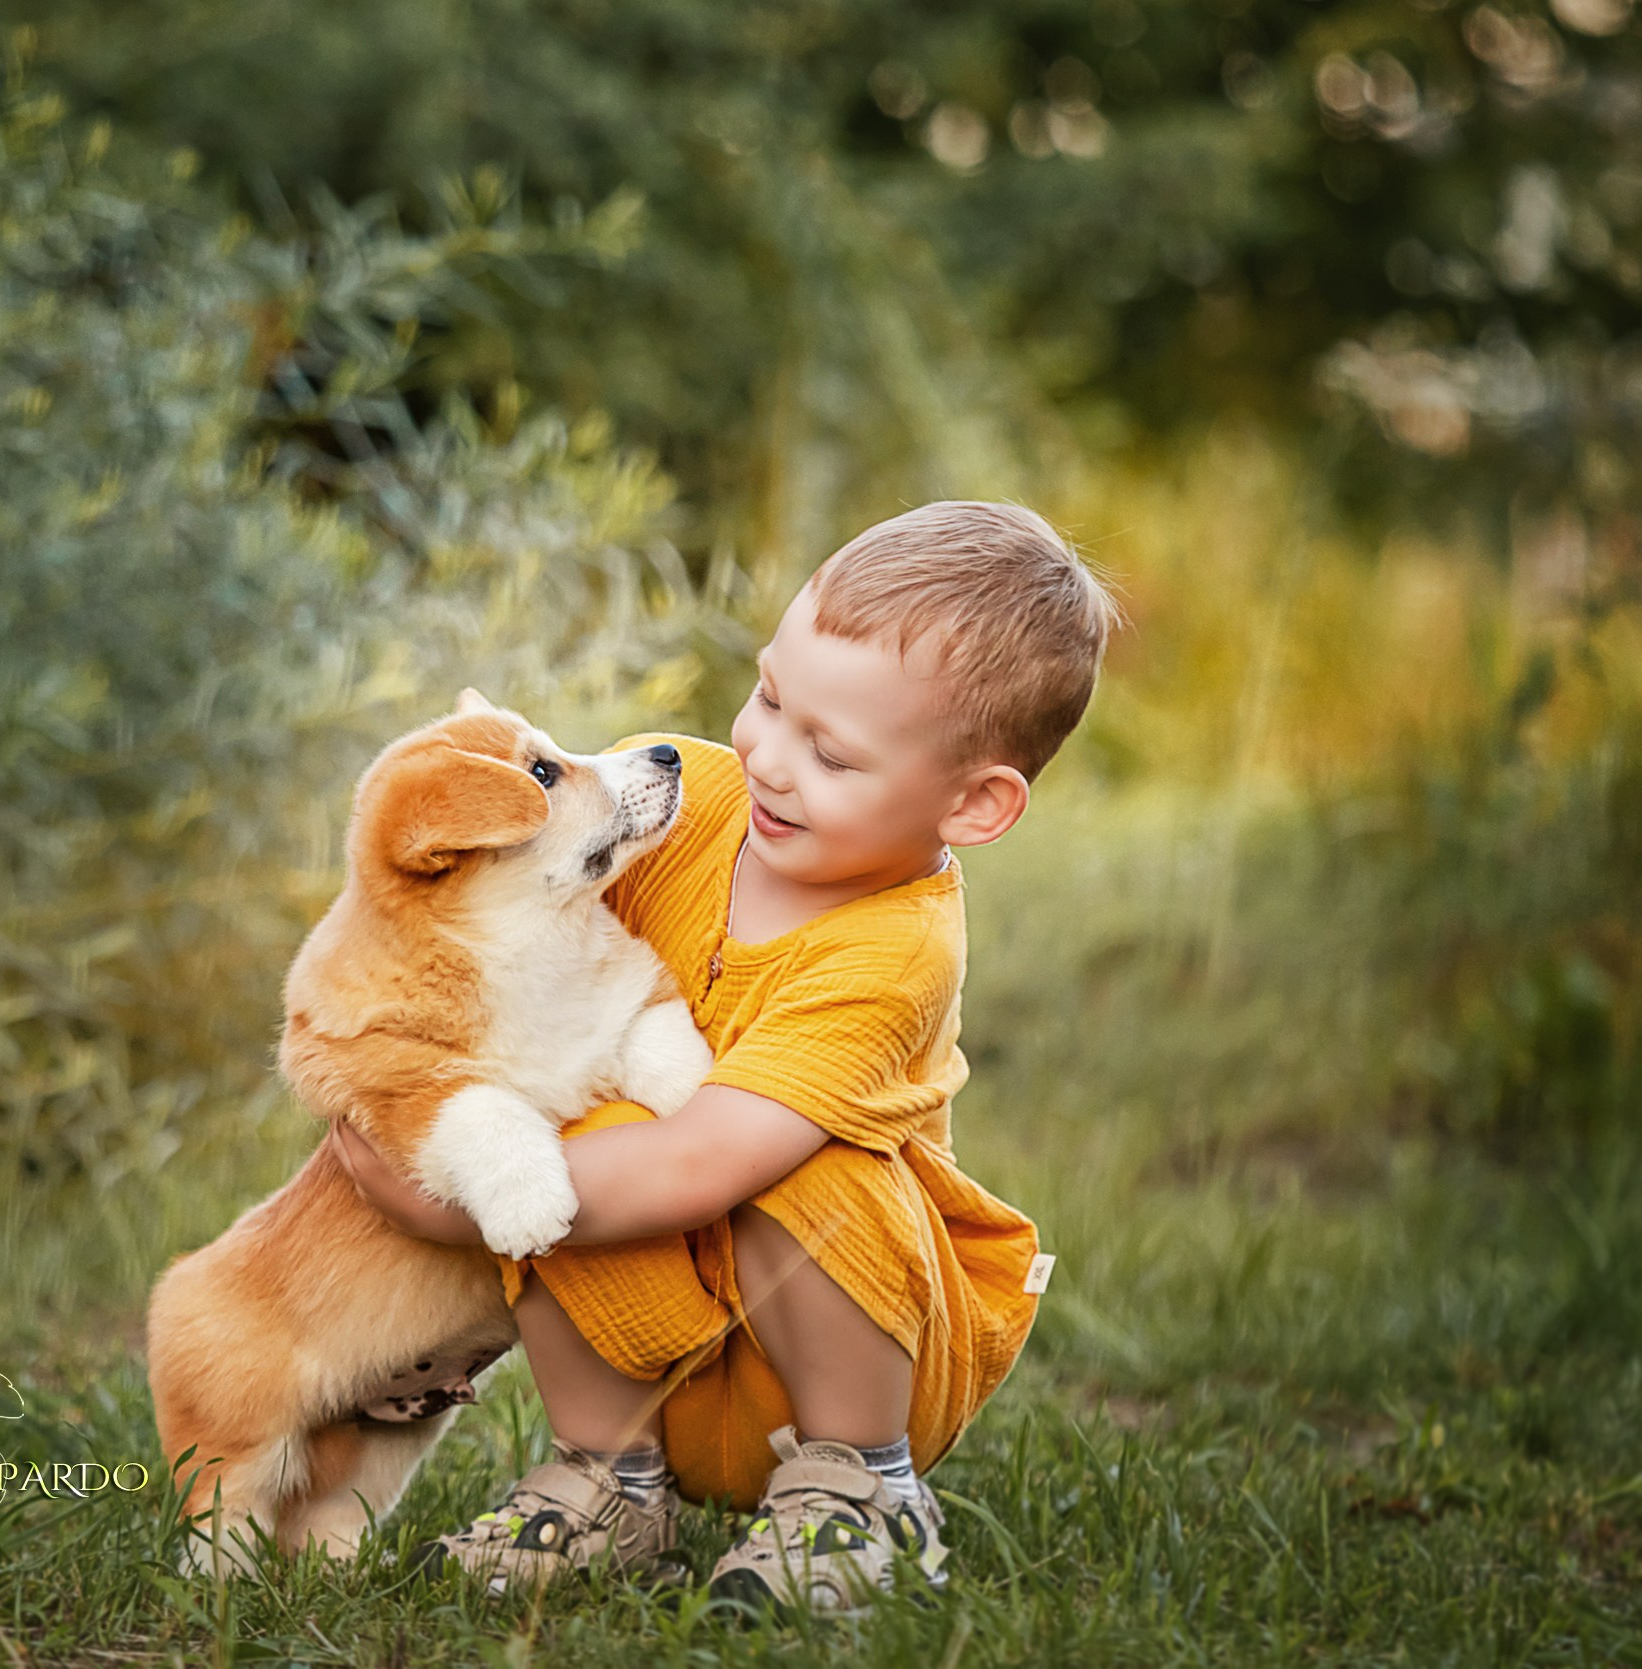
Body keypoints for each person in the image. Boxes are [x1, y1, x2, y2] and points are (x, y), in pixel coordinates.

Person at [331, 500, 1120, 1614]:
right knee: (564, 1107)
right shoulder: (689, 802)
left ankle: (861, 1500)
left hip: (832, 1359)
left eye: (830, 752)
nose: (768, 756)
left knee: (807, 1162)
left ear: (974, 804)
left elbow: (700, 1164)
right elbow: (506, 913)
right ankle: (609, 1481)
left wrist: (453, 1210)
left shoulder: (892, 948)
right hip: (649, 1338)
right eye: (768, 695)